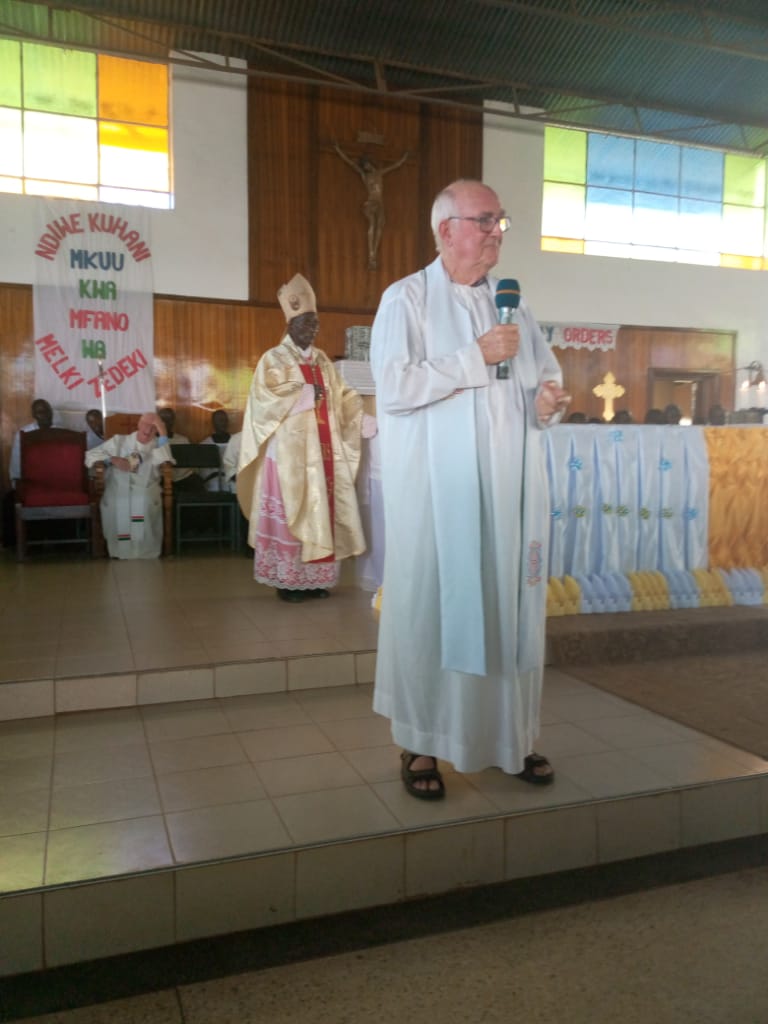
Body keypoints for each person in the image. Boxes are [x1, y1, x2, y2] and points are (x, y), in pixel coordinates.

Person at [370, 179, 570, 800]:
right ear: (445, 230)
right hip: (439, 494)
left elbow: (543, 379)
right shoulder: (405, 299)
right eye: (483, 221)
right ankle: (422, 742)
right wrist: (473, 357)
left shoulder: (514, 305)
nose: (494, 233)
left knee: (504, 608)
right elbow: (394, 388)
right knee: (434, 610)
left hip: (508, 495)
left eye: (499, 222)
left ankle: (510, 739)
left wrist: (548, 401)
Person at [237, 273, 375, 602]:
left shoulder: (323, 361)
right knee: (291, 513)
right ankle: (287, 582)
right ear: (291, 325)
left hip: (322, 454)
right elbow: (262, 400)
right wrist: (299, 397)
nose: (312, 329)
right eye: (305, 323)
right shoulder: (274, 359)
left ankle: (314, 581)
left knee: (320, 510)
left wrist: (360, 417)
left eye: (315, 324)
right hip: (287, 456)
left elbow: (344, 396)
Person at [85, 411, 174, 559]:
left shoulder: (158, 445)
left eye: (154, 427)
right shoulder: (119, 441)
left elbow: (166, 460)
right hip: (118, 485)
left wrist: (162, 431)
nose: (148, 430)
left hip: (146, 487)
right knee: (116, 501)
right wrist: (112, 460)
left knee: (144, 501)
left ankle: (144, 551)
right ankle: (120, 550)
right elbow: (91, 455)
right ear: (139, 424)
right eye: (146, 425)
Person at [333, 142, 409, 269]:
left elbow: (395, 166)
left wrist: (404, 158)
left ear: (370, 163)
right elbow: (351, 163)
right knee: (372, 225)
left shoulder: (379, 173)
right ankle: (371, 254)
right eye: (364, 166)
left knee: (379, 228)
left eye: (367, 164)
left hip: (380, 204)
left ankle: (373, 255)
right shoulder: (365, 176)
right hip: (371, 203)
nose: (366, 167)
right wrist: (339, 150)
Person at [8, 398, 55, 485]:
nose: (45, 415)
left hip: (55, 478)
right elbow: (16, 462)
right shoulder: (24, 434)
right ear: (34, 415)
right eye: (40, 412)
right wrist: (17, 485)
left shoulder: (60, 431)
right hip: (32, 479)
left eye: (47, 411)